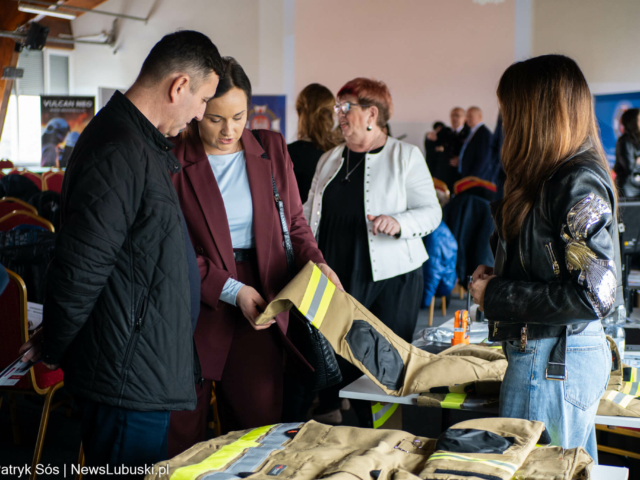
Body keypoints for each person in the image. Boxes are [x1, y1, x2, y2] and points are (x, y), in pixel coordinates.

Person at [20, 31, 224, 475]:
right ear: (178, 87)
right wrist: (54, 346)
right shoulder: (119, 148)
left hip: (136, 367)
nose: (201, 114)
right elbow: (82, 267)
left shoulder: (136, 142)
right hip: (124, 377)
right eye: (204, 99)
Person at [167, 57, 342, 455]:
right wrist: (230, 290)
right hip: (193, 295)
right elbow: (168, 250)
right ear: (197, 111)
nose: (229, 130)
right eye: (214, 119)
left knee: (258, 427)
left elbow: (294, 223)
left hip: (263, 294)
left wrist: (319, 264)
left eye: (239, 116)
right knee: (181, 433)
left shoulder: (270, 147)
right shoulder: (173, 157)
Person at [469, 54, 619, 462]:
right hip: (554, 354)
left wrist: (496, 293)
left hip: (554, 357)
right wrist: (499, 273)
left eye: (510, 110)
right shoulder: (555, 177)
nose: (505, 122)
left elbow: (593, 296)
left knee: (532, 469)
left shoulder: (575, 179)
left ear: (535, 114)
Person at [304, 77, 441, 424]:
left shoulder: (405, 156)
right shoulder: (330, 158)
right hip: (337, 271)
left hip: (390, 277)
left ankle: (385, 434)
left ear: (372, 113)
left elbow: (431, 212)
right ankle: (353, 423)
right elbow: (308, 211)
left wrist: (398, 223)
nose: (339, 115)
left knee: (383, 360)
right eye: (338, 107)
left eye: (345, 107)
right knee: (339, 353)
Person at [288, 83, 343, 204]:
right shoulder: (339, 153)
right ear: (330, 115)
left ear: (299, 112)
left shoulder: (286, 154)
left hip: (295, 222)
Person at [452, 106, 494, 182]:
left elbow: (483, 160)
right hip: (465, 176)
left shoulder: (484, 134)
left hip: (475, 179)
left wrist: (472, 179)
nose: (467, 119)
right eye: (467, 116)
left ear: (479, 116)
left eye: (470, 116)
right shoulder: (471, 132)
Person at [438, 107, 468, 191]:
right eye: (452, 115)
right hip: (445, 173)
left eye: (457, 116)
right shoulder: (444, 132)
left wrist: (461, 160)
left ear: (464, 118)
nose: (454, 118)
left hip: (461, 174)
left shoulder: (468, 133)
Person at [613, 108, 640, 198]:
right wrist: (637, 162)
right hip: (628, 190)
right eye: (639, 120)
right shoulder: (624, 141)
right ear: (632, 122)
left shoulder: (637, 140)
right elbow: (628, 167)